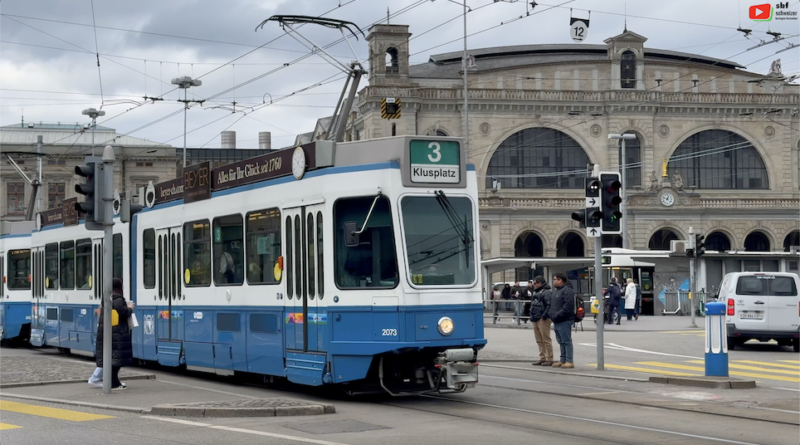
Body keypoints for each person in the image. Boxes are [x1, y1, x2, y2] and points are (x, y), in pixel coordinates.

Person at [95, 277, 134, 390]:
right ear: (118, 288)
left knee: (112, 359)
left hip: (108, 332)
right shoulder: (118, 299)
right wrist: (130, 309)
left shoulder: (107, 298)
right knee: (116, 360)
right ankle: (113, 384)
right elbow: (123, 312)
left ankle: (114, 382)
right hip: (117, 333)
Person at [549, 273, 575, 369]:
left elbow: (568, 306)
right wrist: (551, 314)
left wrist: (558, 315)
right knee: (561, 341)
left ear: (560, 280)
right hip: (557, 320)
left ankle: (569, 360)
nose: (553, 281)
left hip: (564, 319)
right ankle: (562, 359)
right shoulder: (557, 291)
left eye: (555, 279)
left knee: (566, 341)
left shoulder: (567, 291)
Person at [529, 276, 553, 366]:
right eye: (534, 283)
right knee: (539, 340)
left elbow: (549, 305)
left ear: (541, 283)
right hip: (535, 317)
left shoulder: (546, 292)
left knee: (546, 339)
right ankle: (542, 357)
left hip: (543, 318)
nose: (535, 285)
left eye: (537, 283)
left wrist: (544, 316)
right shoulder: (536, 291)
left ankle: (549, 358)